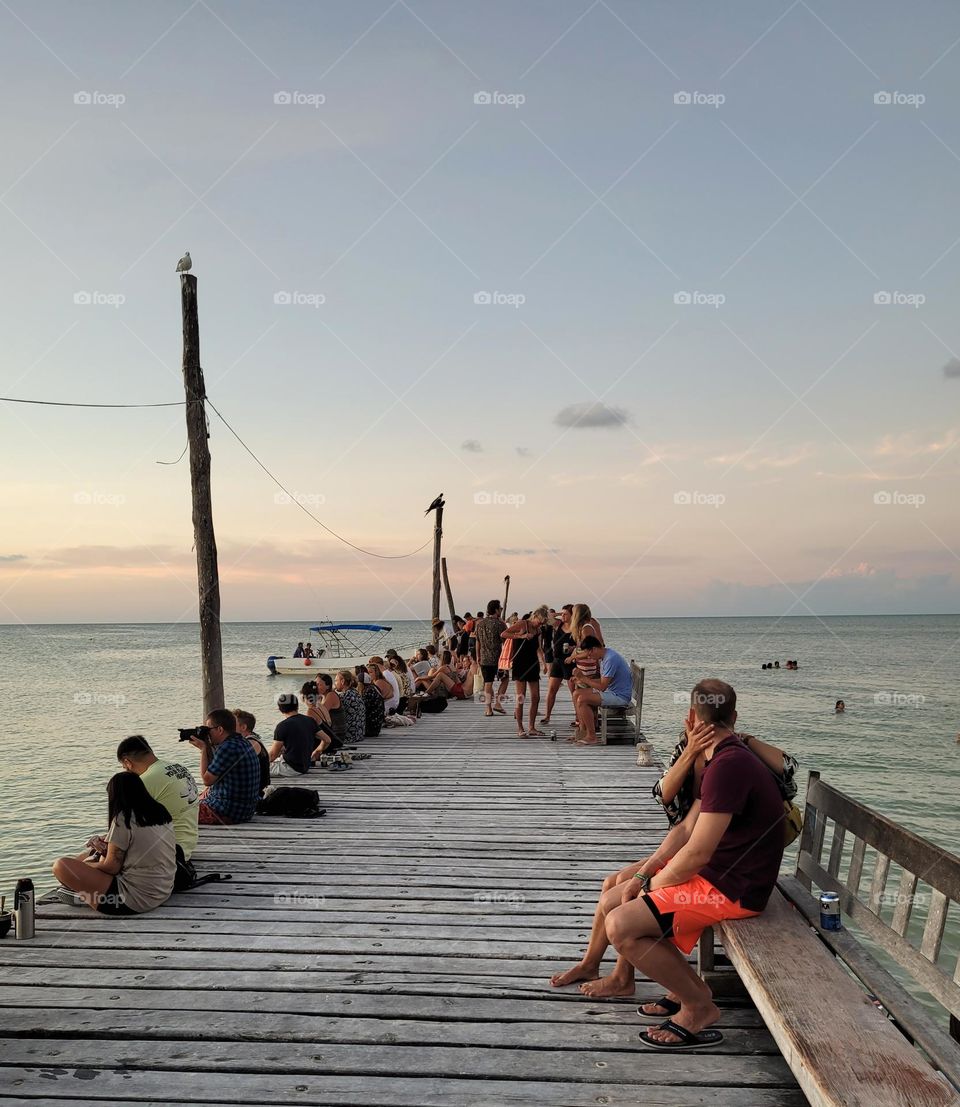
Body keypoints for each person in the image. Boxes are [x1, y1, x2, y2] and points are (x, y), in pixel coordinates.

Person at [549, 680, 786, 1051]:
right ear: (735, 717)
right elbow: (686, 829)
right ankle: (665, 985)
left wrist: (647, 890)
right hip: (719, 874)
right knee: (614, 896)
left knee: (621, 924)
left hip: (735, 888)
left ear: (692, 717)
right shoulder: (720, 756)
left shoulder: (729, 766)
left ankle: (699, 1006)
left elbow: (697, 853)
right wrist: (646, 873)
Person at [53, 771, 176, 915]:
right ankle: (84, 891)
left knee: (60, 866)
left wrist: (87, 865)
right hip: (163, 890)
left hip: (131, 900)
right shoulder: (160, 812)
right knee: (88, 855)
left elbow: (111, 867)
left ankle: (84, 896)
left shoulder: (124, 818)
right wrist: (103, 848)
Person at [653, 722, 797, 827]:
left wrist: (746, 739)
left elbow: (789, 768)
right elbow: (662, 794)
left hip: (725, 844)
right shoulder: (684, 749)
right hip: (692, 841)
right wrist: (690, 751)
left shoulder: (736, 752)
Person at [115, 735, 199, 861]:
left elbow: (125, 826)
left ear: (127, 762)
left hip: (169, 853)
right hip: (187, 844)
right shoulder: (179, 767)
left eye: (124, 766)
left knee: (92, 859)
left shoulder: (145, 780)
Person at [189, 709, 261, 825]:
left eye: (208, 729)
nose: (207, 733)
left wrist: (203, 750)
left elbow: (207, 780)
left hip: (225, 812)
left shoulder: (227, 747)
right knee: (198, 797)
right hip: (246, 810)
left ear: (220, 730)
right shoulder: (244, 742)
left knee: (177, 810)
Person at [569, 636, 632, 746]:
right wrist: (580, 680)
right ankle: (583, 731)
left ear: (594, 649)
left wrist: (583, 678)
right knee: (576, 694)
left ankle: (592, 736)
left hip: (620, 697)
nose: (589, 657)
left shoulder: (610, 659)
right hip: (611, 691)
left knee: (583, 700)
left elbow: (602, 686)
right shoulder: (605, 657)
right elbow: (603, 681)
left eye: (589, 654)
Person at [503, 606, 549, 737]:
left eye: (543, 623)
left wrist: (544, 663)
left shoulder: (538, 630)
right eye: (539, 622)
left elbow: (538, 648)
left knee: (536, 697)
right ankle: (520, 728)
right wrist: (521, 635)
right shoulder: (522, 624)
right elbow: (504, 634)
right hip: (520, 663)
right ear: (535, 616)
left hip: (533, 663)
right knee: (521, 697)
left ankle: (532, 727)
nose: (540, 624)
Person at [271, 694, 326, 775]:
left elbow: (272, 755)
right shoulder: (310, 720)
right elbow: (327, 740)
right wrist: (317, 751)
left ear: (280, 709)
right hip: (305, 766)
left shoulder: (282, 726)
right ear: (297, 706)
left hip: (289, 768)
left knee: (259, 770)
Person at [474, 599, 507, 717]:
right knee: (505, 679)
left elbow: (477, 641)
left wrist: (478, 656)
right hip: (498, 658)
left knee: (488, 683)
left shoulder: (480, 624)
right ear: (496, 610)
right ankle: (497, 703)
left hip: (484, 658)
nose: (501, 610)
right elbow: (505, 641)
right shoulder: (499, 624)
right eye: (500, 608)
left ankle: (488, 709)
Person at [543, 604, 574, 726]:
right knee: (551, 689)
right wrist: (560, 614)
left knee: (573, 691)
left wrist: (573, 648)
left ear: (573, 615)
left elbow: (582, 644)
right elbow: (546, 617)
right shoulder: (558, 624)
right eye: (563, 614)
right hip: (557, 661)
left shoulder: (575, 628)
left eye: (566, 614)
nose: (563, 616)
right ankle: (547, 716)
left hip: (570, 662)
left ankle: (578, 717)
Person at [233, 709, 271, 796]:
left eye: (232, 724)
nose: (228, 727)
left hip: (257, 793)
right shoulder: (253, 739)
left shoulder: (250, 743)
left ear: (243, 727)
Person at [316, 673, 348, 746]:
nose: (316, 687)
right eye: (315, 684)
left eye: (319, 684)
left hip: (337, 737)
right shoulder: (322, 697)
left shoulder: (331, 695)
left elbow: (319, 714)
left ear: (327, 686)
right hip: (331, 733)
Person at [336, 670, 366, 744]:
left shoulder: (344, 696)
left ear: (342, 681)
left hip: (348, 736)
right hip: (359, 734)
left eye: (336, 681)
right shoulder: (355, 693)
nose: (335, 683)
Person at [356, 665, 385, 736]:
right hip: (377, 725)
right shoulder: (374, 687)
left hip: (371, 728)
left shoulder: (368, 691)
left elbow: (361, 708)